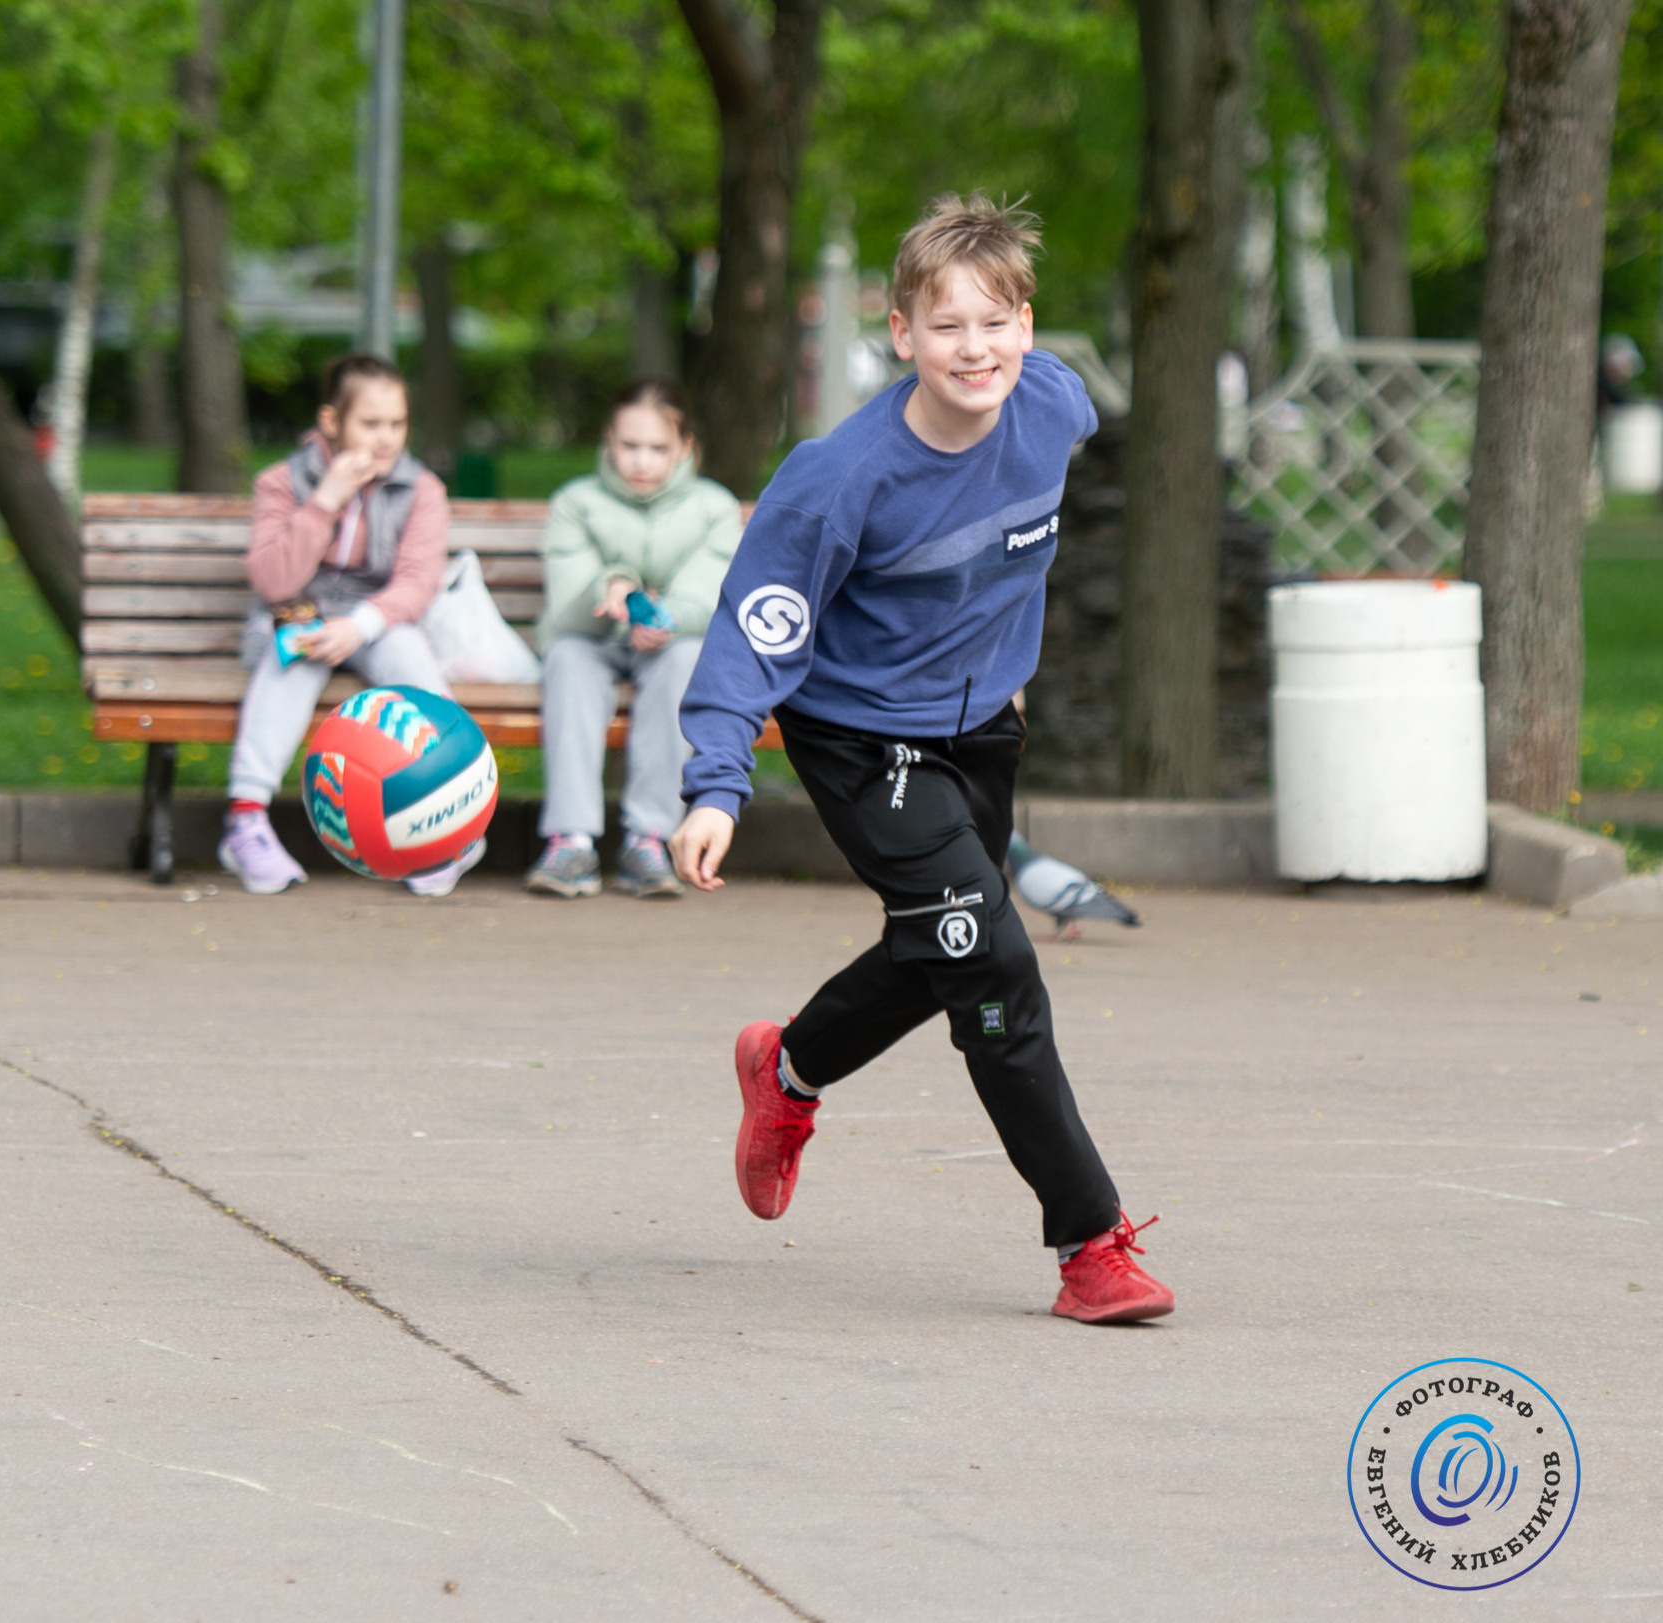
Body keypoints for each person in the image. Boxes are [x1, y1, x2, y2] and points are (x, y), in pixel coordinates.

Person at [667, 193, 1175, 1326]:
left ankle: (786, 1071)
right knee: (992, 963)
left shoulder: (1052, 404)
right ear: (900, 335)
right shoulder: (839, 475)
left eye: (994, 324)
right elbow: (752, 623)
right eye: (945, 328)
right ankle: (1092, 1245)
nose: (973, 350)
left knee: (945, 940)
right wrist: (715, 783)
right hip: (860, 741)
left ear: (1027, 330)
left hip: (981, 729)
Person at [218, 353, 485, 898]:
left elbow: (416, 583)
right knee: (289, 659)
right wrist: (324, 502)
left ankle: (455, 826)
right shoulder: (280, 483)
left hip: (380, 619)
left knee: (412, 662)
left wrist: (359, 627)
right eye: (370, 424)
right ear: (331, 422)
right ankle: (244, 820)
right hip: (298, 614)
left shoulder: (422, 490)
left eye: (397, 424)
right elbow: (273, 581)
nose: (386, 439)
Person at [524, 381, 742, 899]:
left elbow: (708, 594)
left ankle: (649, 838)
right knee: (567, 661)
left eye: (658, 448)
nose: (642, 461)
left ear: (685, 448)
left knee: (687, 661)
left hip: (672, 641)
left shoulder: (714, 507)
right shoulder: (576, 503)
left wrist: (666, 616)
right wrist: (610, 587)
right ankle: (570, 840)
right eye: (629, 446)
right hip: (591, 637)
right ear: (609, 442)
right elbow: (568, 605)